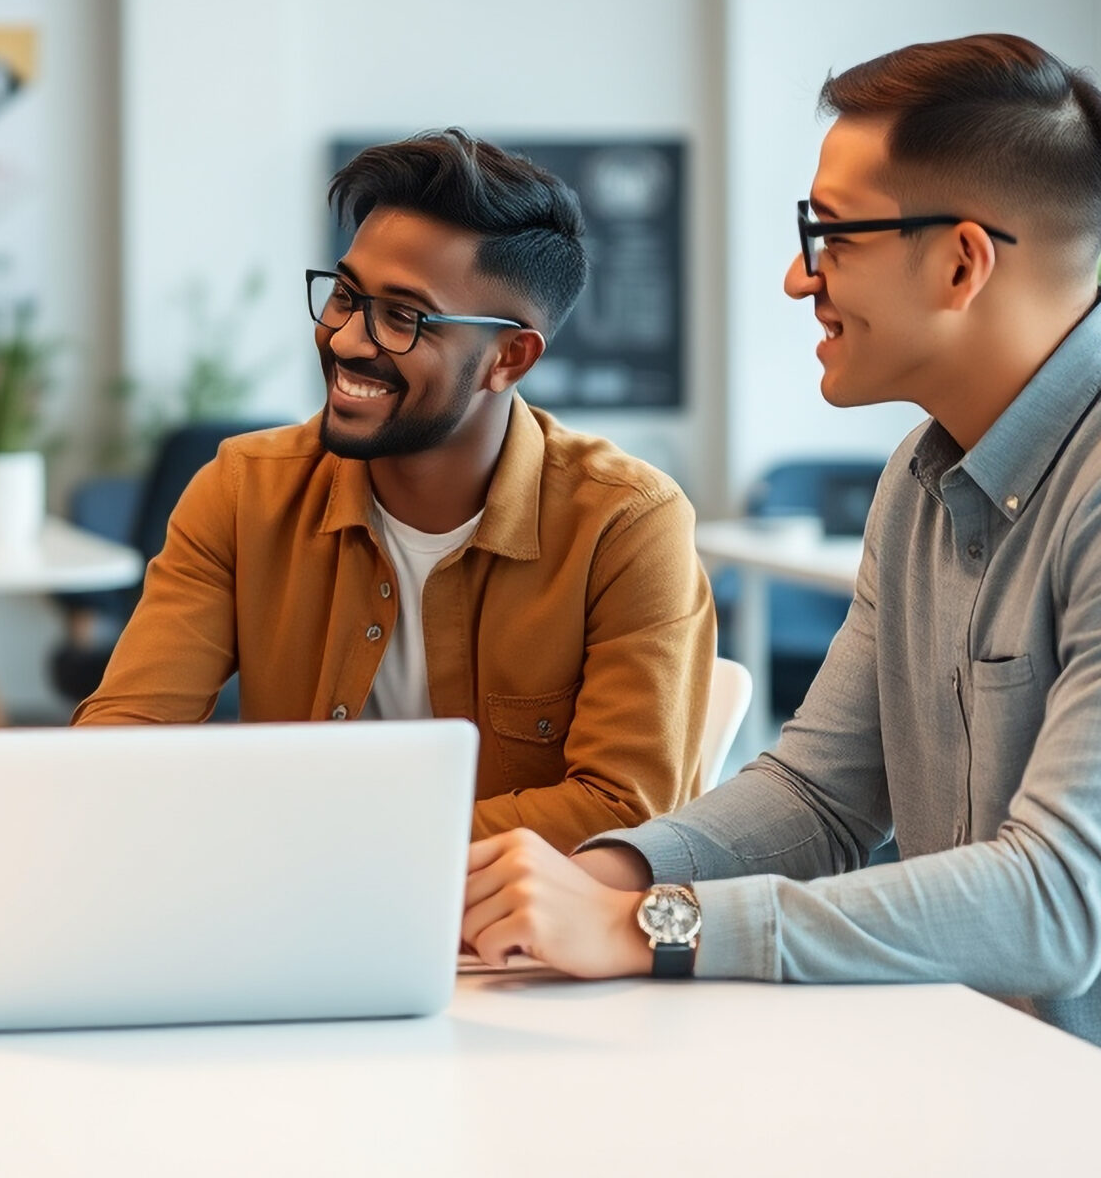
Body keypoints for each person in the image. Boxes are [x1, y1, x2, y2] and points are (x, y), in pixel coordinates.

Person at [460, 35, 1101, 1139]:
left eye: (827, 235)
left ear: (961, 262)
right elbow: (820, 796)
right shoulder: (925, 474)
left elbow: (1059, 898)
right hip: (953, 1088)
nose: (799, 275)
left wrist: (655, 923)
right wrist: (590, 878)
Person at [75, 130, 716, 849]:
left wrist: (339, 842)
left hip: (516, 946)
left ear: (510, 356)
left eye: (403, 317)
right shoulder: (242, 491)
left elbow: (624, 811)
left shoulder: (625, 525)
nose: (348, 338)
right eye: (346, 295)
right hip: (284, 923)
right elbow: (120, 746)